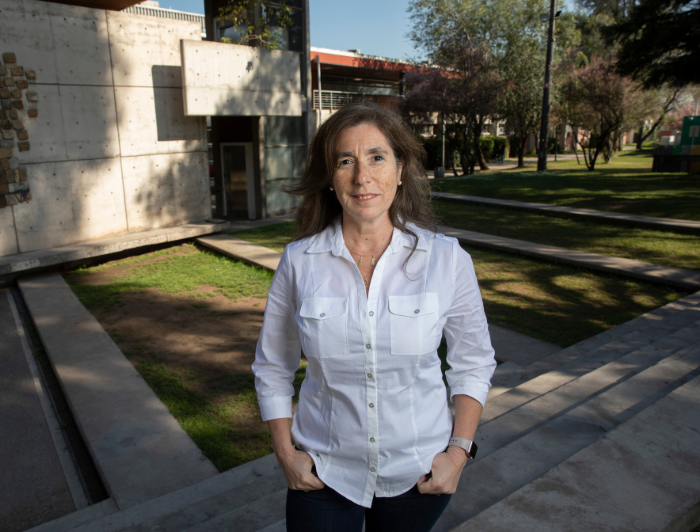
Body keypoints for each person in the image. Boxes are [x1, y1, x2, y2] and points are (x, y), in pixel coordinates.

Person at [252, 102, 496, 532]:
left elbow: (473, 362)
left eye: (377, 158)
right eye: (346, 161)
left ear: (401, 169)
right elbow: (273, 365)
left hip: (417, 471)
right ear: (330, 177)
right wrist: (285, 453)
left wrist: (458, 453)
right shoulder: (299, 262)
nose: (362, 177)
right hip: (323, 470)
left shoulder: (446, 259)